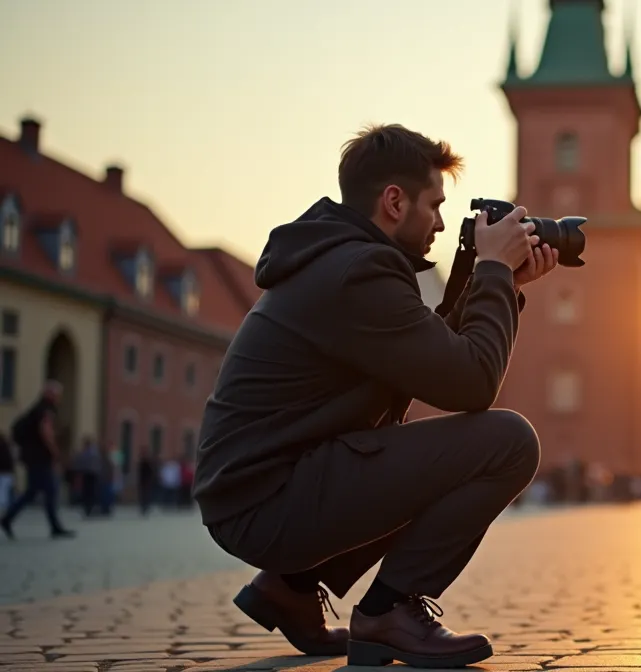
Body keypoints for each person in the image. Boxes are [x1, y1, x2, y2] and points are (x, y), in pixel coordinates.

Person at [192, 124, 553, 669]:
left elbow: (431, 358)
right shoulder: (358, 271)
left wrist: (505, 283)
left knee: (436, 459)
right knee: (509, 442)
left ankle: (291, 588)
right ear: (394, 201)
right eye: (434, 205)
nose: (440, 223)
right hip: (266, 502)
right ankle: (388, 612)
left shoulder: (343, 259)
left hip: (261, 490)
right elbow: (472, 383)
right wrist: (494, 269)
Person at [1, 381, 75, 540]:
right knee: (50, 490)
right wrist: (55, 452)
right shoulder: (45, 409)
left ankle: (7, 519)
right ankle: (54, 527)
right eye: (57, 394)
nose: (59, 398)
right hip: (40, 458)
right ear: (50, 394)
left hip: (32, 457)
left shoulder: (37, 408)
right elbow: (45, 431)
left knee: (32, 492)